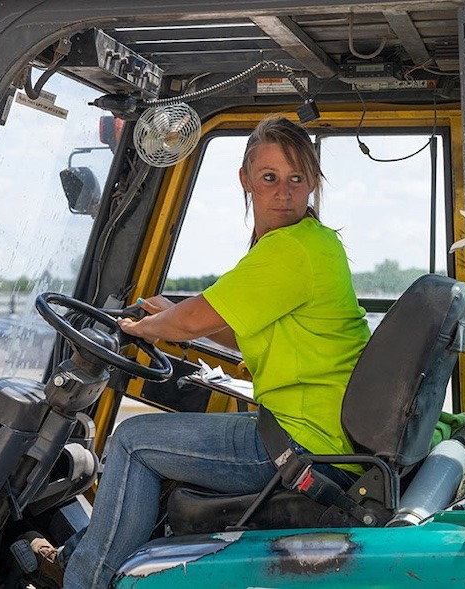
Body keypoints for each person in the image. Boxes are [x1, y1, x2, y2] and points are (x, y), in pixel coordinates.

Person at [52, 115, 371, 589]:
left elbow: (193, 320)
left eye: (295, 179)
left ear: (312, 183)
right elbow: (235, 330)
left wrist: (147, 326)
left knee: (132, 442)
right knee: (158, 448)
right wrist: (168, 319)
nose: (283, 191)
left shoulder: (291, 250)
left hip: (303, 444)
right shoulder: (310, 244)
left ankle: (83, 581)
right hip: (316, 431)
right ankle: (77, 557)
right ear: (246, 180)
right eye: (269, 178)